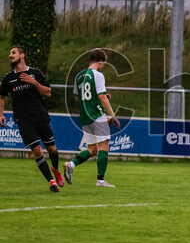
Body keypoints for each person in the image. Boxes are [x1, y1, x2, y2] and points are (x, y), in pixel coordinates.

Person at [0, 45, 64, 192]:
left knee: (52, 149)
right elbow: (1, 96)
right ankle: (51, 181)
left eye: (14, 53)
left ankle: (55, 170)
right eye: (10, 53)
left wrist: (33, 82)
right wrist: (0, 114)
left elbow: (48, 92)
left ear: (22, 55)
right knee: (37, 151)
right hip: (23, 120)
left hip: (40, 116)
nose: (11, 55)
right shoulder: (9, 79)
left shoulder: (35, 73)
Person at [64, 49, 119, 188]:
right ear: (100, 61)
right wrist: (113, 115)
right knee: (104, 146)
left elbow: (78, 98)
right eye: (103, 63)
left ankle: (71, 164)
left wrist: (102, 97)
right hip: (97, 114)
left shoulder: (79, 76)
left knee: (92, 149)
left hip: (85, 116)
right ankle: (100, 180)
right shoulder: (98, 75)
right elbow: (101, 97)